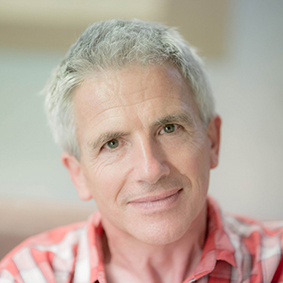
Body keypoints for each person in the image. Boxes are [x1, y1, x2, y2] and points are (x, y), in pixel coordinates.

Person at [0, 19, 282, 283]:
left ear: (212, 141)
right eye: (112, 144)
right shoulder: (26, 275)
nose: (151, 169)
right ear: (78, 175)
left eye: (169, 128)